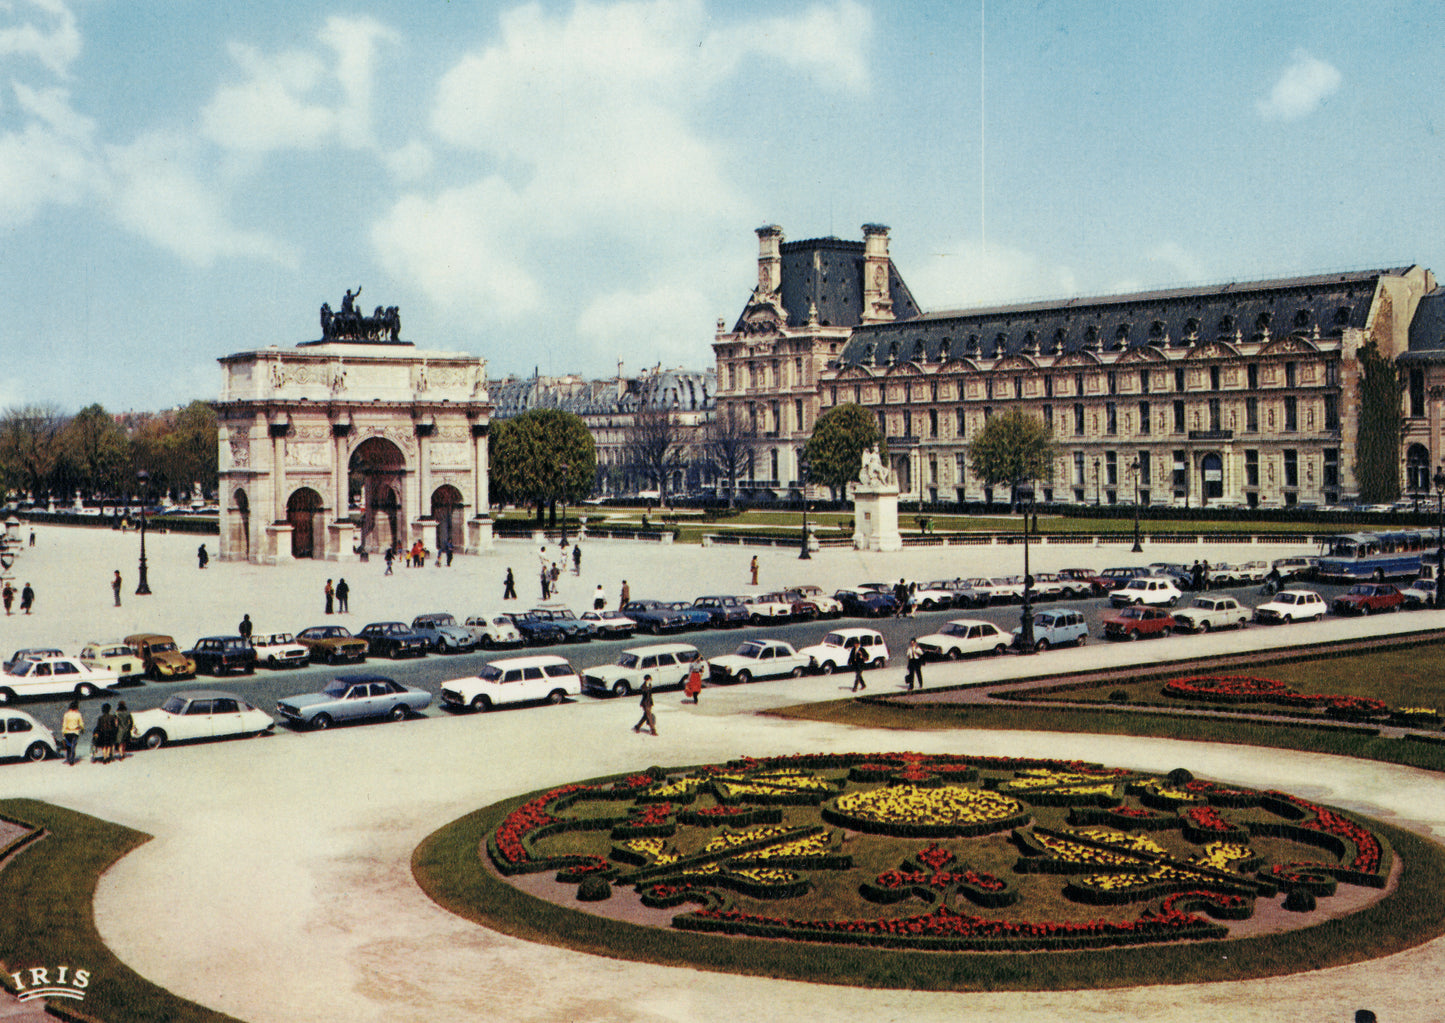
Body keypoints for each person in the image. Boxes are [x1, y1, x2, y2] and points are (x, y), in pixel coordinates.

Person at [61, 702, 84, 766]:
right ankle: (72, 760)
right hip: (75, 732)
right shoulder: (78, 714)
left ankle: (68, 758)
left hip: (67, 732)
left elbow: (64, 724)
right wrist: (82, 729)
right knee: (73, 746)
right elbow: (81, 724)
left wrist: (63, 732)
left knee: (68, 746)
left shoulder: (66, 714)